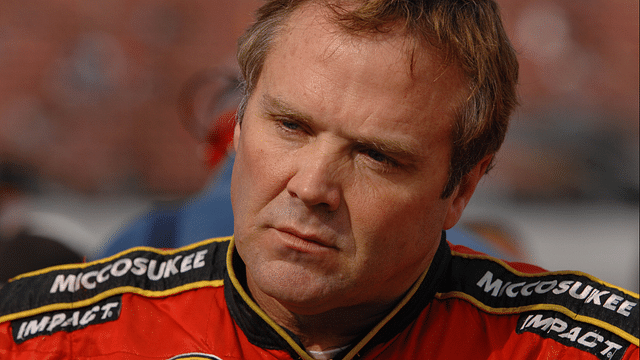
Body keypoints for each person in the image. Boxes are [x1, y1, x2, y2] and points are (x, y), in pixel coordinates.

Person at [0, 1, 637, 359]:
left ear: (462, 189)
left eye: (376, 156)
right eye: (291, 127)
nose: (311, 186)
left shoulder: (578, 349)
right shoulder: (56, 339)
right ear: (239, 126)